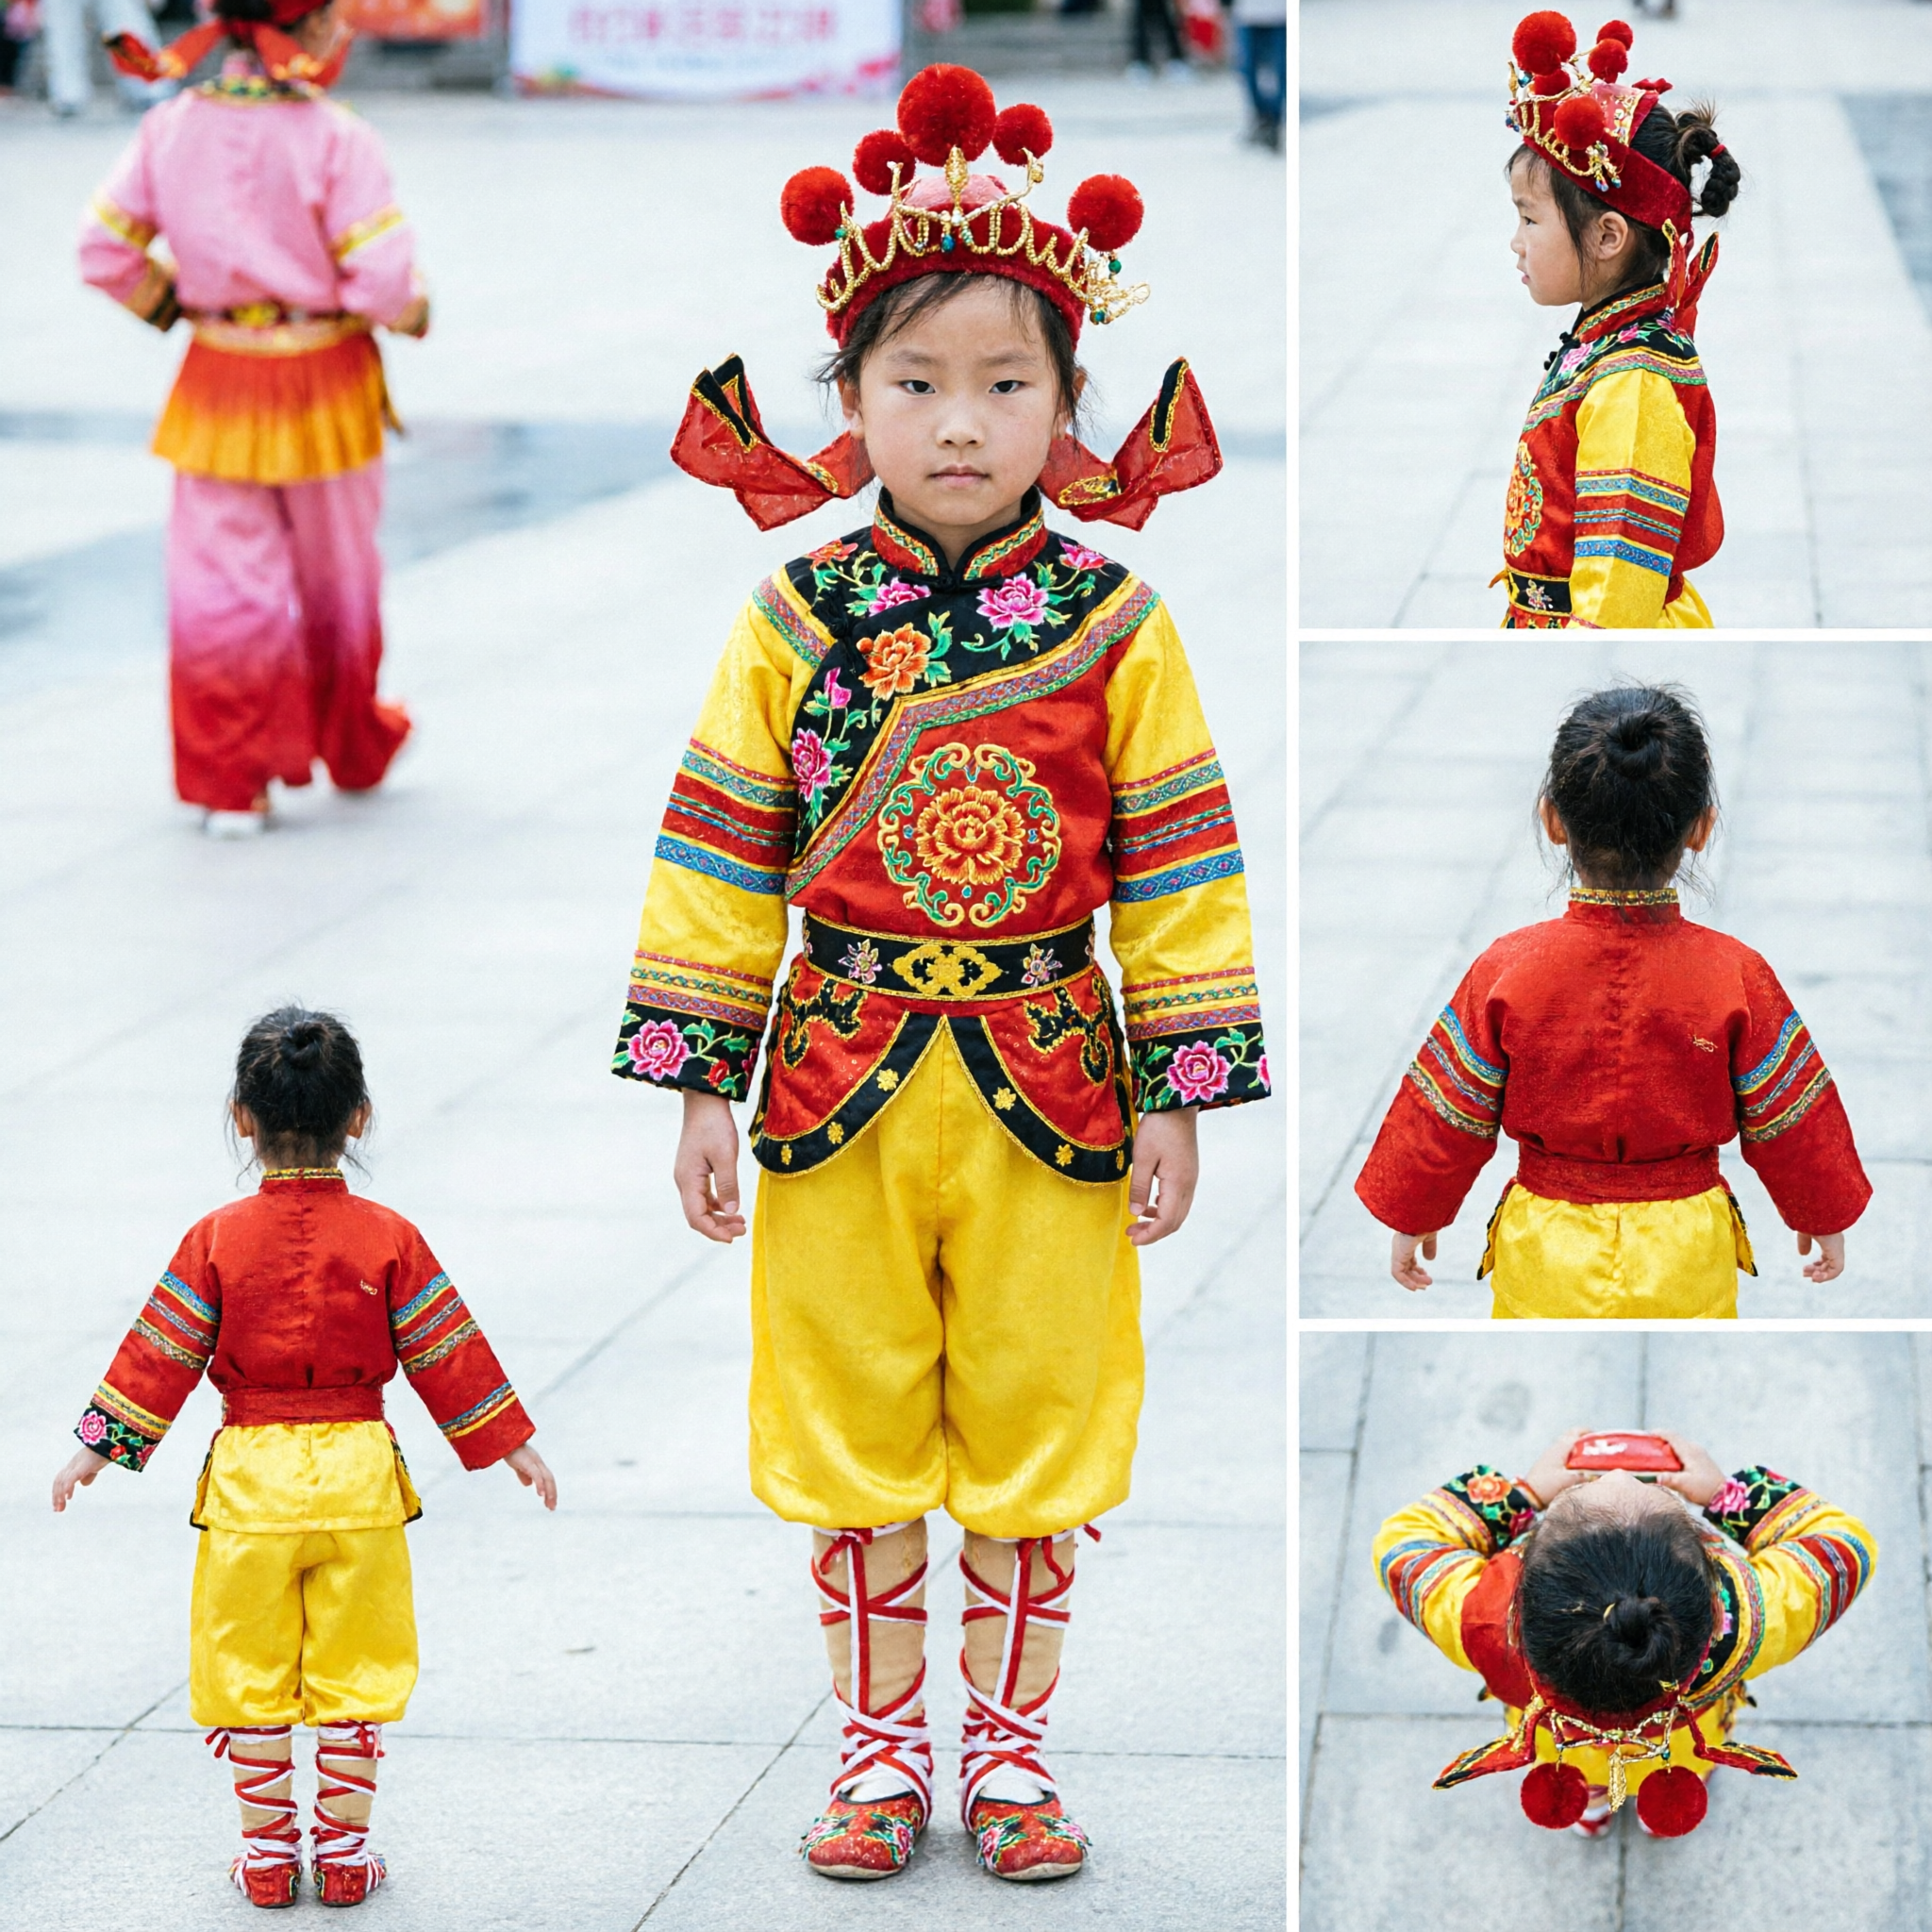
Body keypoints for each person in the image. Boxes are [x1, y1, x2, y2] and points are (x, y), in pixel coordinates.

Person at [616, 64, 1267, 1882]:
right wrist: (698, 1084)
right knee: (847, 1421)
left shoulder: (1121, 623)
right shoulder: (791, 615)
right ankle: (880, 1750)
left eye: (1006, 385)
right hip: (831, 1075)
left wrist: (1179, 1090)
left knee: (1040, 1420)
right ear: (847, 402)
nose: (960, 424)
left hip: (1054, 1080)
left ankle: (1012, 1752)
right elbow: (721, 851)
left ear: (1073, 407)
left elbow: (1185, 867)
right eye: (915, 385)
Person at [51, 1008, 556, 1908]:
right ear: (357, 1116)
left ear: (241, 1116)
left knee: (248, 1669)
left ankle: (271, 1857)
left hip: (251, 1484)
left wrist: (96, 1450)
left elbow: (161, 1351)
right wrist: (510, 1442)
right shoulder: (388, 1235)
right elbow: (446, 1346)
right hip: (361, 1475)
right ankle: (349, 1852)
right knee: (355, 1666)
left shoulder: (215, 1238)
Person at [1356, 685, 1870, 1319]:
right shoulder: (1735, 972)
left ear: (1552, 820)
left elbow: (1450, 1108)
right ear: (1702, 829)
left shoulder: (1508, 969)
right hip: (1685, 1244)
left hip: (1548, 1243)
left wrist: (1415, 1212)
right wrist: (1821, 1212)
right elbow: (1791, 1115)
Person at [77, 0, 424, 836]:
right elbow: (381, 283)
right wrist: (411, 313)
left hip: (218, 377)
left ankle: (233, 782)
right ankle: (348, 744)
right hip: (325, 384)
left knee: (221, 588)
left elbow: (102, 251)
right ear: (303, 31)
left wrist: (179, 306)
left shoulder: (169, 127)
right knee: (340, 580)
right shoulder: (338, 135)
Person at [1374, 1429, 1874, 1837]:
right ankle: (1664, 1816)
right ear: (1708, 1570)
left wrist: (1524, 1494)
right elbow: (1844, 1548)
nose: (1616, 1471)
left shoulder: (1481, 1618)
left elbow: (1403, 1546)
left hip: (1558, 1745)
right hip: (1677, 1748)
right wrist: (1726, 1495)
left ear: (1521, 1574)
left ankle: (1590, 1811)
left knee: (1580, 1782)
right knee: (1679, 1773)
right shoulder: (1748, 1619)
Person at [1496, 11, 1739, 627]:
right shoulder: (1608, 339)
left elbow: (1618, 592)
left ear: (1607, 236)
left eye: (1529, 219)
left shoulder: (1633, 382)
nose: (1515, 243)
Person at [1231, 0, 1284, 150]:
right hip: (1247, 14)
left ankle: (1276, 119)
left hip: (1280, 14)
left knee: (1281, 70)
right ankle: (1261, 117)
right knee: (1247, 68)